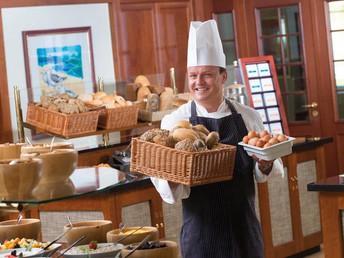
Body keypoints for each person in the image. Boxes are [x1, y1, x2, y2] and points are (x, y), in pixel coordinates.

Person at [151, 19, 284, 257]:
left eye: (207, 75)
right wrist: (170, 175)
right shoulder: (174, 122)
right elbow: (169, 191)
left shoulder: (247, 117)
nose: (198, 82)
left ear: (223, 77)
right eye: (193, 75)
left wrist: (265, 163)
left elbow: (266, 173)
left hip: (244, 231)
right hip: (201, 234)